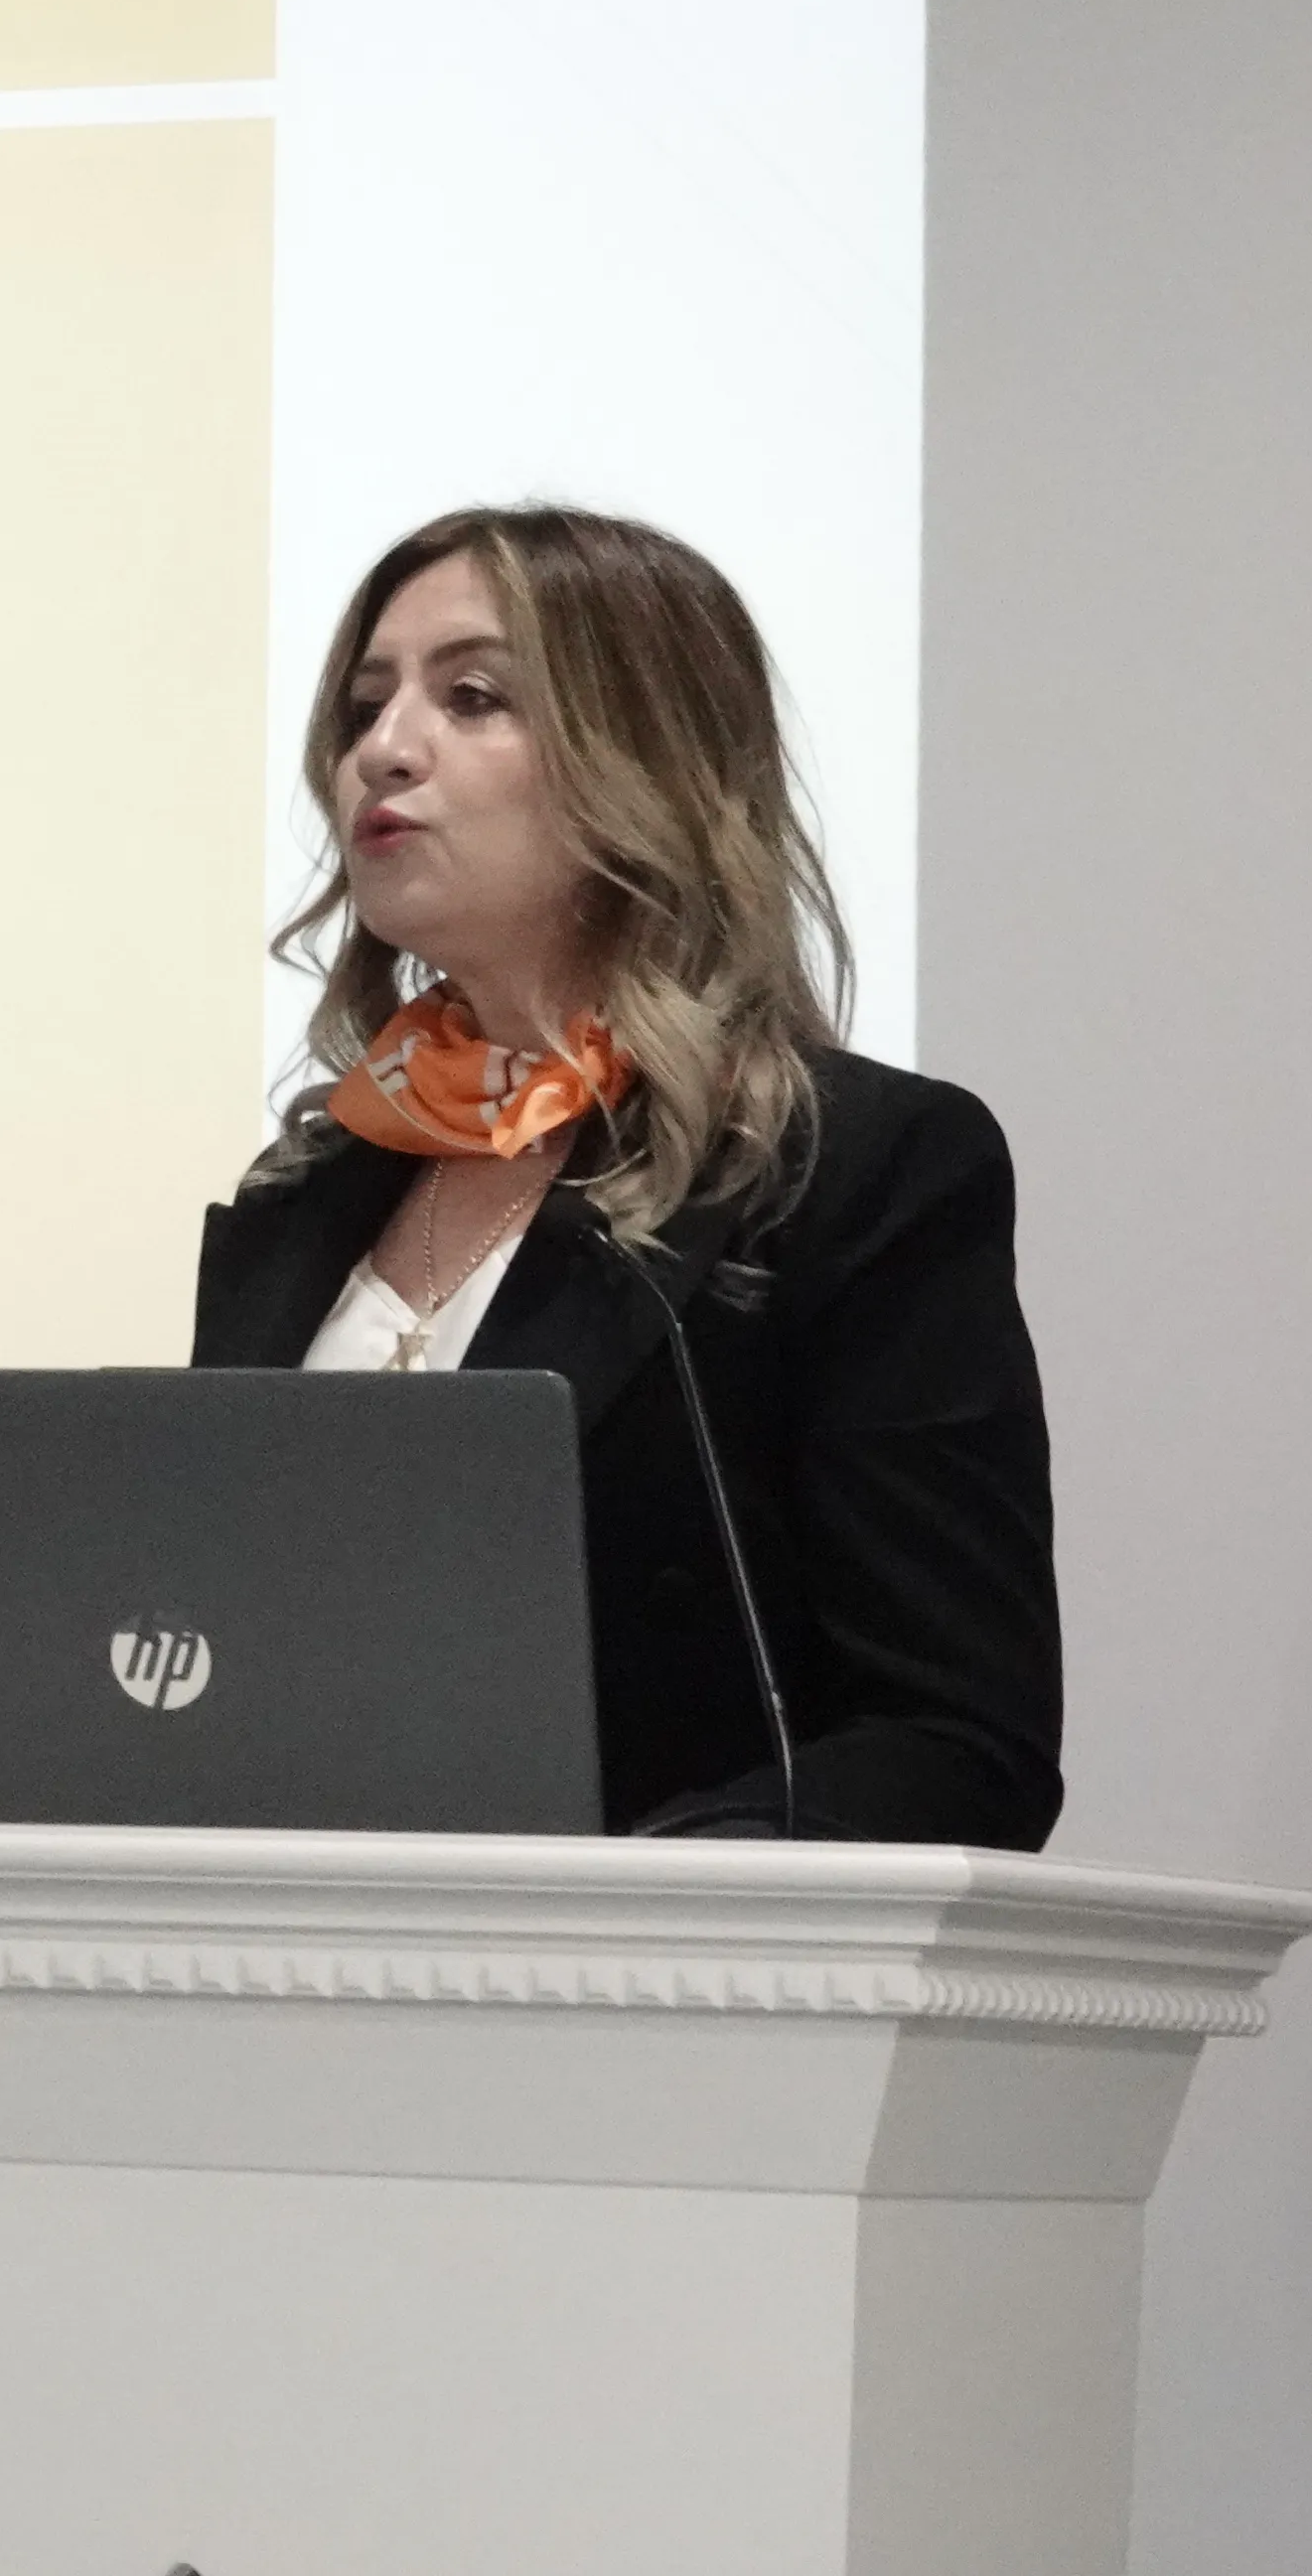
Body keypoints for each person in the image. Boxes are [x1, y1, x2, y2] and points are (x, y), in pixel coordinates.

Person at [190, 505, 1062, 1846]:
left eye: (472, 697)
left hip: (640, 1959)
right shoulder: (298, 1197)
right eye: (367, 706)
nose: (383, 749)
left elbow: (959, 1744)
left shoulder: (849, 1174)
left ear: (647, 760)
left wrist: (649, 1893)